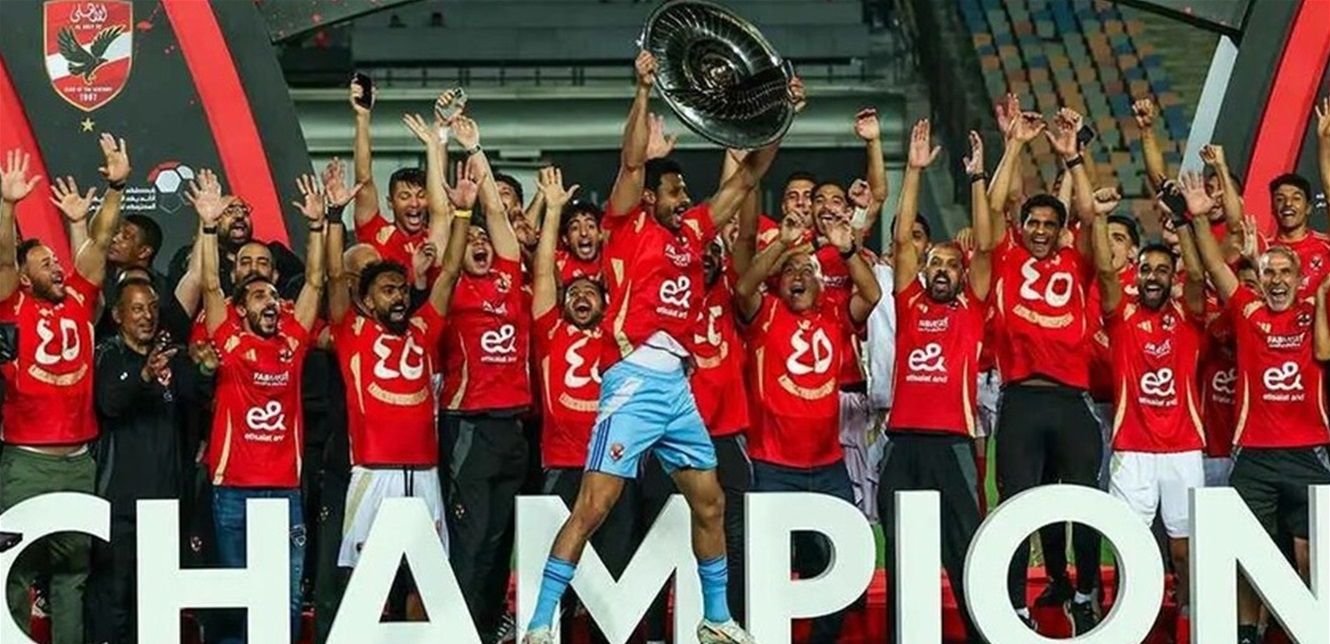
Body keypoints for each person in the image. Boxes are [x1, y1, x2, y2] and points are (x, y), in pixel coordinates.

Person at [522, 50, 795, 644]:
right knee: (594, 506)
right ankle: (539, 622)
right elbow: (629, 162)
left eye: (683, 190)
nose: (683, 196)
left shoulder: (693, 231)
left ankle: (716, 618)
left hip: (677, 388)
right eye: (675, 189)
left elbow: (748, 177)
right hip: (632, 382)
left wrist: (780, 117)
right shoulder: (628, 226)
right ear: (651, 196)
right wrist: (642, 89)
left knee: (711, 502)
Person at [329, 111, 471, 617]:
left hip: (425, 473)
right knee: (370, 584)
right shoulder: (352, 333)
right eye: (387, 290)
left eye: (401, 289)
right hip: (375, 473)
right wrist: (332, 218)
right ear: (367, 300)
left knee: (425, 581)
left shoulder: (424, 328)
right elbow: (333, 279)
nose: (398, 296)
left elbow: (448, 274)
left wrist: (461, 213)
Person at [1189, 171, 1330, 644]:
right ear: (1260, 277)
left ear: (1300, 279)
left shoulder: (1316, 313)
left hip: (1309, 451)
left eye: (1286, 273)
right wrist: (1198, 218)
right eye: (1269, 272)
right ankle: (1246, 633)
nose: (1276, 280)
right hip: (1254, 453)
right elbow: (1214, 265)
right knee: (1247, 553)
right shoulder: (1247, 310)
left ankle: (1310, 630)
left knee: (1312, 555)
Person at [733, 197, 881, 642]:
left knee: (833, 560)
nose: (798, 276)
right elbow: (744, 287)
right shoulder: (765, 313)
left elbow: (872, 295)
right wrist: (782, 244)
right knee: (770, 564)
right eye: (790, 271)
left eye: (808, 270)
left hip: (827, 465)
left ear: (822, 282)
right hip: (773, 466)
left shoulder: (835, 313)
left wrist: (847, 250)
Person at [0, 136, 129, 644]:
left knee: (71, 577)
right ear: (24, 277)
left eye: (57, 260)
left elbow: (99, 242)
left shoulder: (78, 299)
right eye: (44, 262)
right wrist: (8, 204)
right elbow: (3, 261)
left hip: (79, 462)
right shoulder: (11, 306)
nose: (57, 266)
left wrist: (116, 188)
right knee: (14, 572)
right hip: (26, 463)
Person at [194, 169, 327, 643]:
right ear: (241, 308)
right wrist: (208, 226)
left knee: (285, 597)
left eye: (272, 295)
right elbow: (211, 286)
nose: (269, 301)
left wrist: (318, 226)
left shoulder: (293, 343)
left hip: (285, 489)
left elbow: (315, 282)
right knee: (238, 599)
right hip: (233, 488)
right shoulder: (229, 341)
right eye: (257, 296)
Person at [986, 106, 1105, 634]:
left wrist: (1073, 158)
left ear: (1061, 231)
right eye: (1032, 223)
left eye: (1049, 225)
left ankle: (1086, 593)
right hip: (1022, 400)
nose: (1039, 231)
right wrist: (1013, 145)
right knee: (1018, 506)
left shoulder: (1078, 262)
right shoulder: (1007, 258)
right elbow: (994, 206)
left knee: (1083, 502)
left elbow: (1090, 214)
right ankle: (1013, 605)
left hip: (1071, 401)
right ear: (1023, 228)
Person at [878, 123, 990, 643]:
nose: (942, 269)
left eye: (950, 264)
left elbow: (985, 245)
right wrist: (914, 170)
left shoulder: (972, 308)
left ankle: (982, 634)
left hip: (952, 444)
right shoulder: (909, 302)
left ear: (963, 274)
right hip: (902, 444)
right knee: (903, 553)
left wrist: (977, 179)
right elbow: (902, 238)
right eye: (934, 263)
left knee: (966, 551)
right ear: (923, 271)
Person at [432, 114, 535, 641]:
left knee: (499, 542)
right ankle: (459, 632)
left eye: (482, 238)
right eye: (468, 236)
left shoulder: (507, 274)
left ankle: (489, 628)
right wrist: (456, 209)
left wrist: (476, 148)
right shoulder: (449, 287)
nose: (479, 241)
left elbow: (496, 211)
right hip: (468, 425)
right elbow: (444, 226)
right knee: (469, 542)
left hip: (512, 428)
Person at [1093, 176, 1209, 644]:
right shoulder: (1121, 317)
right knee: (1131, 547)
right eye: (1146, 270)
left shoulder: (1188, 317)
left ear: (1171, 276)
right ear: (1136, 274)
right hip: (1133, 449)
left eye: (1163, 270)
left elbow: (1198, 275)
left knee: (1183, 550)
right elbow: (1104, 274)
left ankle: (1190, 621)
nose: (1154, 277)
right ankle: (1129, 625)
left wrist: (1182, 221)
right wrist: (1097, 218)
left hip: (1183, 448)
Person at [529, 166, 636, 643]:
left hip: (610, 466)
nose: (581, 298)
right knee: (558, 568)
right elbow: (544, 275)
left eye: (591, 293)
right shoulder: (549, 332)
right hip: (562, 466)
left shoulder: (618, 339)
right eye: (574, 293)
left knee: (611, 569)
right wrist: (553, 210)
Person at [86, 277, 207, 643]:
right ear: (118, 315)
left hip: (166, 503)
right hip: (120, 505)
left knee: (156, 604)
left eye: (152, 307)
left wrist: (205, 371)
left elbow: (198, 409)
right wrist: (143, 375)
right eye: (137, 309)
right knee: (115, 601)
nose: (147, 316)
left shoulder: (174, 359)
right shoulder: (108, 355)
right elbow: (110, 403)